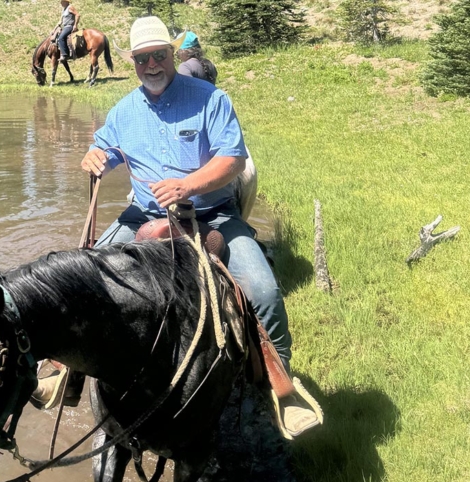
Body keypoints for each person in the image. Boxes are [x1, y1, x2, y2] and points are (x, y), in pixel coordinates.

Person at [32, 16, 318, 438]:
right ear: (132, 61)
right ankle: (66, 366)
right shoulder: (124, 110)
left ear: (173, 54)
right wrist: (95, 158)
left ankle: (280, 387)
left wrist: (188, 184)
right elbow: (105, 148)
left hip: (213, 215)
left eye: (159, 55)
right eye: (143, 58)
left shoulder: (210, 99)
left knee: (264, 292)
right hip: (144, 217)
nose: (152, 65)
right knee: (83, 274)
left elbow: (233, 159)